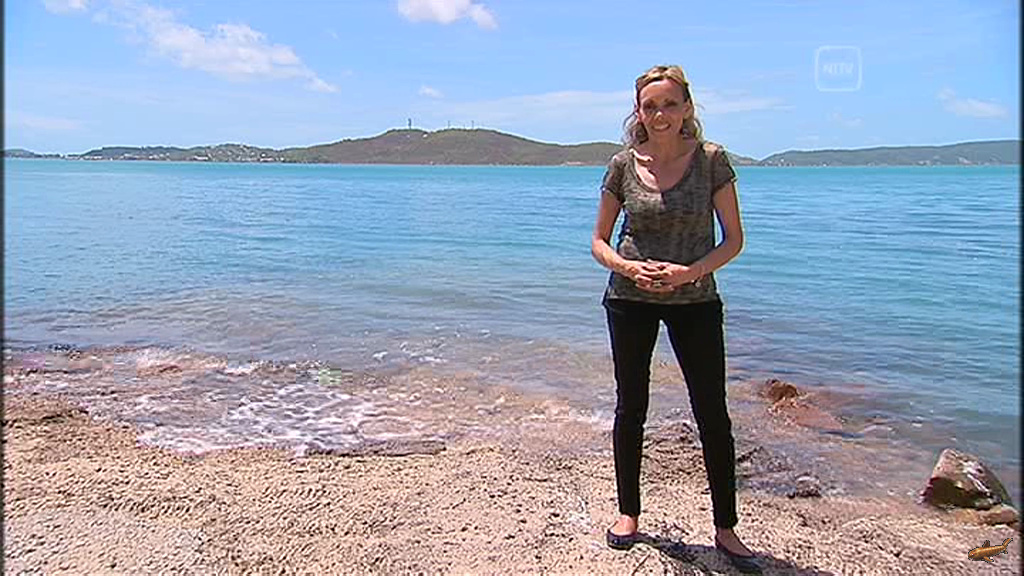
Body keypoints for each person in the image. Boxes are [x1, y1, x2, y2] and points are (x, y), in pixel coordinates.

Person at [590, 64, 760, 573]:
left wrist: (690, 273)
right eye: (650, 106)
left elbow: (733, 239)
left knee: (712, 412)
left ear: (687, 108)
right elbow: (598, 241)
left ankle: (726, 528)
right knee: (631, 408)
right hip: (630, 300)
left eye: (669, 104)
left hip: (696, 301)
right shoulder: (622, 165)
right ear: (638, 112)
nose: (660, 114)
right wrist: (627, 267)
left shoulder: (711, 161)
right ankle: (628, 514)